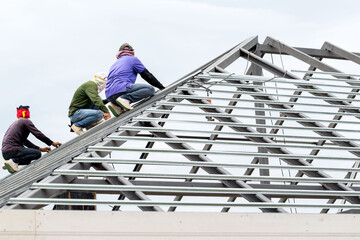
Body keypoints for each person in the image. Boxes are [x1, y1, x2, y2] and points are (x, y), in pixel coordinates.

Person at [105, 43, 165, 117]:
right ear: (132, 52)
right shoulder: (133, 59)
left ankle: (116, 106)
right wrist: (161, 87)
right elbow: (146, 75)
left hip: (109, 95)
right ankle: (125, 99)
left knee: (124, 90)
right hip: (121, 89)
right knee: (150, 89)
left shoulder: (114, 64)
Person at [1, 105, 62, 173]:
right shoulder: (25, 121)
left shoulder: (14, 124)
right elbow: (38, 134)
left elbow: (26, 142)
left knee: (28, 159)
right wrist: (52, 143)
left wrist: (40, 148)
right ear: (26, 112)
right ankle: (14, 161)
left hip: (5, 153)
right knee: (37, 154)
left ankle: (10, 162)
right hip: (14, 149)